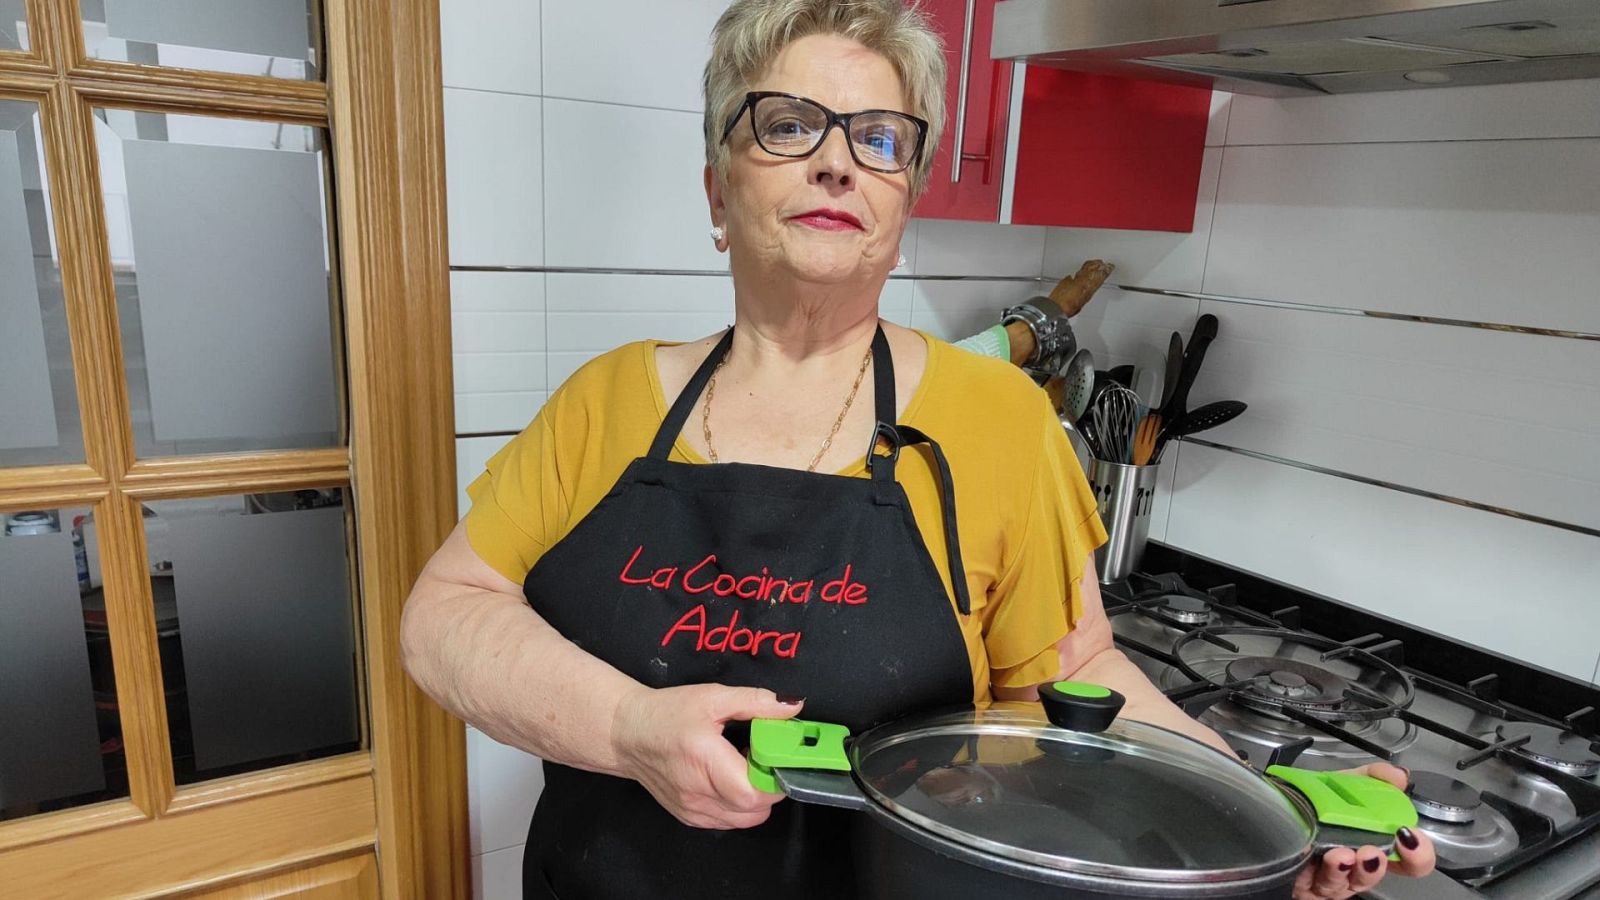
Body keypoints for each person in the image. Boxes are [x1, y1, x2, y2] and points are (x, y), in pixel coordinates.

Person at [401, 2, 1437, 897]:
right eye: (787, 125)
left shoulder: (998, 418)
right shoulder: (606, 401)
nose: (836, 161)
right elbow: (444, 618)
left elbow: (1078, 674)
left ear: (903, 202)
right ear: (716, 191)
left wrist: (1255, 811)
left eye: (878, 139)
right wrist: (630, 727)